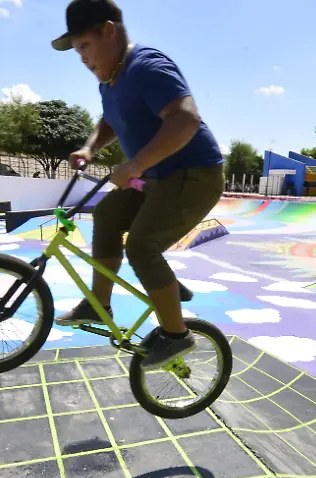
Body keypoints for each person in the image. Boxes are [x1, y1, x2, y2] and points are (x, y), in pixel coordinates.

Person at [50, 0, 225, 370]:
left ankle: (177, 336)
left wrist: (134, 164)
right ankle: (99, 305)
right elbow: (110, 119)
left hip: (194, 175)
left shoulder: (148, 66)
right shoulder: (110, 79)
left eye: (84, 45)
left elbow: (185, 119)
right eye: (77, 50)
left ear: (109, 31)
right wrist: (90, 147)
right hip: (157, 177)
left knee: (143, 247)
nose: (81, 57)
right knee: (109, 214)